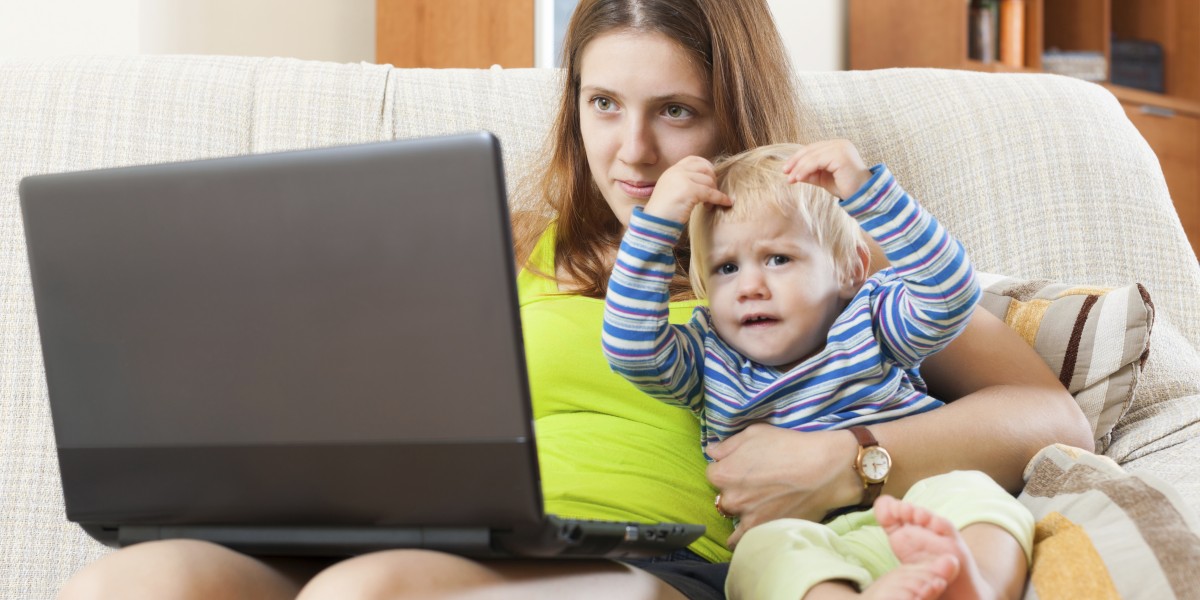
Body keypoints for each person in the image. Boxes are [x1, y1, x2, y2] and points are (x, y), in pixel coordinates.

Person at [57, 1, 1091, 599]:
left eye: (675, 111)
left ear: (738, 109)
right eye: (604, 104)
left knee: (368, 595)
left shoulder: (805, 268)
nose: (631, 151)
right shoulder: (497, 239)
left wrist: (855, 455)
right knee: (139, 583)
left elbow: (1050, 414)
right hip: (419, 534)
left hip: (628, 561)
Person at [602, 141, 1033, 599]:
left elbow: (950, 295)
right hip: (799, 534)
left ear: (849, 270)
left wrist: (867, 192)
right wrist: (657, 225)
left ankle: (978, 585)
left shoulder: (871, 320)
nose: (750, 286)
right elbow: (632, 351)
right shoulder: (710, 356)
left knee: (973, 492)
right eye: (727, 267)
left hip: (916, 505)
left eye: (778, 259)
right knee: (762, 553)